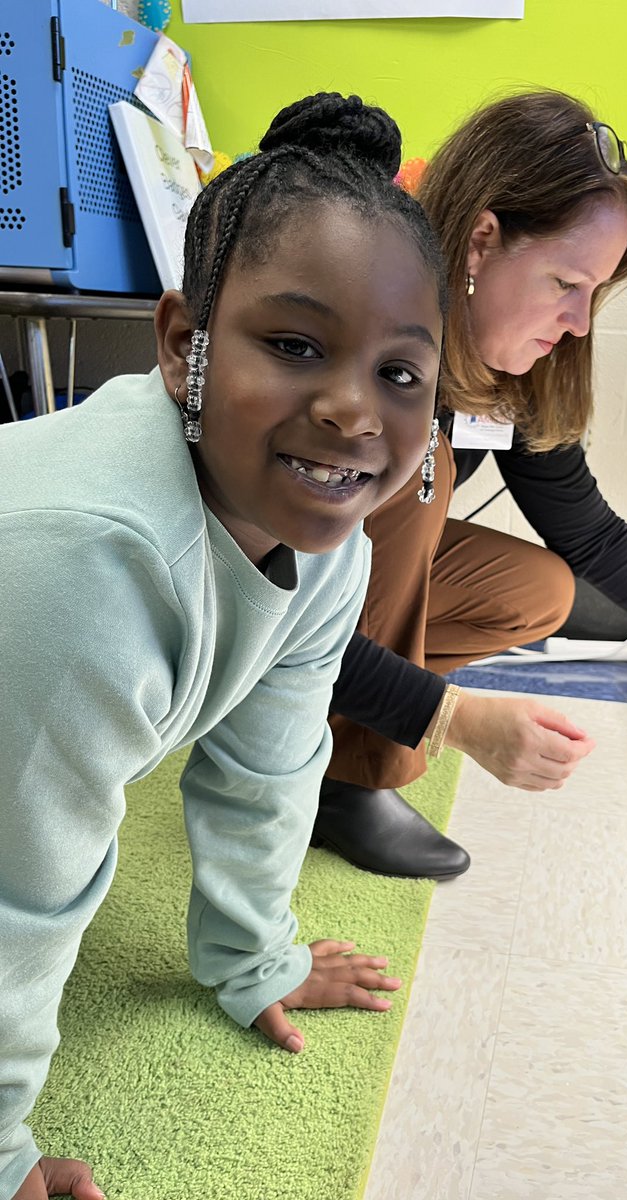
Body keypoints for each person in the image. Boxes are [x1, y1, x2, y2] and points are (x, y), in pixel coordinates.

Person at [0, 93, 446, 1200]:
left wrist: (258, 961)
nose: (354, 411)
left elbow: (270, 763)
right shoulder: (89, 562)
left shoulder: (325, 538)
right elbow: (15, 888)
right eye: (294, 345)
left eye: (401, 372)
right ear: (181, 346)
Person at [313, 89, 627, 880]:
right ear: (481, 241)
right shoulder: (364, 337)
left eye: (595, 293)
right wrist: (455, 718)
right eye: (564, 283)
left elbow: (588, 530)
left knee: (540, 589)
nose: (581, 323)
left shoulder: (503, 362)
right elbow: (271, 606)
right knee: (427, 469)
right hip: (248, 600)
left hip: (335, 595)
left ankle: (342, 719)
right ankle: (343, 776)